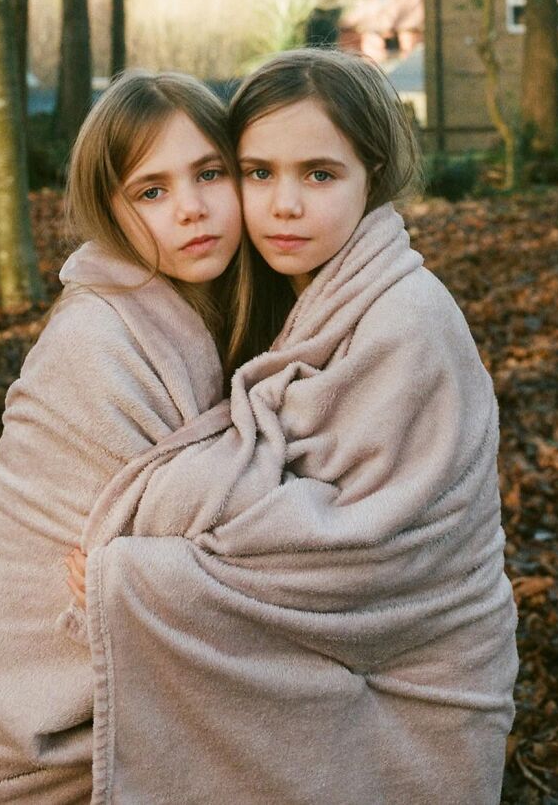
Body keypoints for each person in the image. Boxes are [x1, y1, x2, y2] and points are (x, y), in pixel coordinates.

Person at [67, 49, 518, 805]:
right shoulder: (288, 300)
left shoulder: (408, 321)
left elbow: (368, 553)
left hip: (420, 686)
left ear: (370, 174)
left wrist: (140, 576)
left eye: (319, 174)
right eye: (256, 172)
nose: (283, 204)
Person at [0, 70, 243, 803]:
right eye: (152, 191)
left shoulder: (231, 307)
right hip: (16, 680)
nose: (191, 209)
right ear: (112, 211)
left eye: (209, 173)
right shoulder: (94, 335)